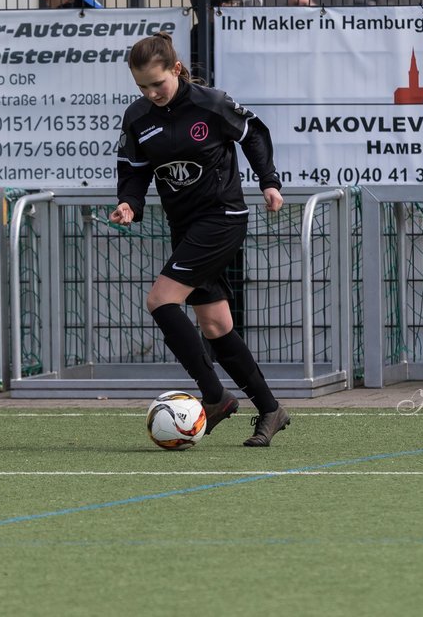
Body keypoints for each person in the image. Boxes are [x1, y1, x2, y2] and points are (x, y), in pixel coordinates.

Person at [110, 32, 291, 447]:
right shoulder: (138, 118)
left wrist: (269, 182)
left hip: (222, 219)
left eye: (158, 83)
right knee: (215, 323)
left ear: (176, 70)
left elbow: (254, 135)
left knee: (160, 299)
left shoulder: (210, 103)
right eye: (143, 87)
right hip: (185, 227)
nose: (152, 93)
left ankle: (215, 396)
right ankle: (270, 410)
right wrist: (128, 204)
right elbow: (133, 172)